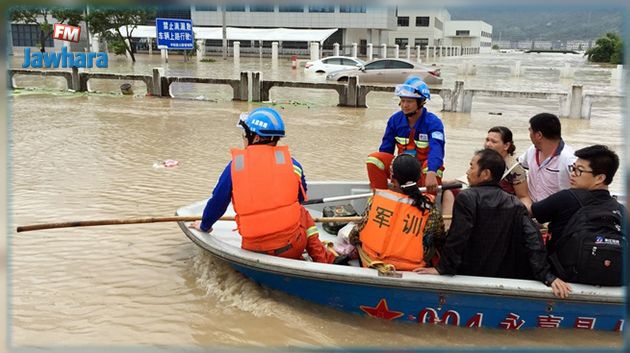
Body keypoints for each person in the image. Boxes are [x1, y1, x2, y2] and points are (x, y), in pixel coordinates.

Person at [415, 148, 571, 299]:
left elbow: (458, 236)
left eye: (471, 167)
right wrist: (547, 276)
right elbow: (533, 240)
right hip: (502, 275)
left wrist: (442, 268)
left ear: (485, 174)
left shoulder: (467, 197)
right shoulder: (515, 203)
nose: (468, 172)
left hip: (467, 275)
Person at [190, 107, 337, 264]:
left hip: (253, 250)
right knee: (302, 212)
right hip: (292, 248)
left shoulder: (235, 166)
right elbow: (299, 198)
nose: (244, 138)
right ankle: (324, 260)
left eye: (245, 134)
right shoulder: (293, 165)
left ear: (257, 137)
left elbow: (218, 202)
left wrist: (205, 225)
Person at [530, 145, 625, 286]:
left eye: (579, 170)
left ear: (599, 178)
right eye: (572, 168)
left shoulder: (566, 197)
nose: (572, 174)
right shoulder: (620, 210)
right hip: (612, 284)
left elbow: (529, 212)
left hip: (561, 282)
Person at [349, 154, 443, 271]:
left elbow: (354, 235)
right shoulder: (429, 209)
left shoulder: (377, 200)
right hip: (411, 270)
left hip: (371, 263)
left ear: (393, 179)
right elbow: (438, 238)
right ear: (419, 178)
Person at [366, 76, 445, 194]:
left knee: (433, 166)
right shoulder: (395, 120)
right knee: (374, 159)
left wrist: (432, 172)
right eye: (402, 101)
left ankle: (428, 203)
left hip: (424, 172)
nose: (404, 105)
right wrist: (391, 176)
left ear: (421, 102)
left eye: (409, 101)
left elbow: (437, 150)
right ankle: (380, 197)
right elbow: (386, 150)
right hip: (402, 168)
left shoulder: (433, 123)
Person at [441, 126, 532, 228]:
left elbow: (523, 196)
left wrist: (527, 213)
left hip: (498, 205)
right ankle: (447, 231)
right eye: (487, 140)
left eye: (494, 142)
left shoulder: (514, 169)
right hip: (478, 197)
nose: (488, 144)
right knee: (449, 192)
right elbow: (465, 179)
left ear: (506, 145)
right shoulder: (482, 159)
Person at [518, 113, 576, 203]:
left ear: (538, 135)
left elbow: (582, 189)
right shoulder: (532, 150)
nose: (529, 134)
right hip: (531, 207)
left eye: (530, 131)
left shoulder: (569, 159)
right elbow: (518, 165)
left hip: (556, 212)